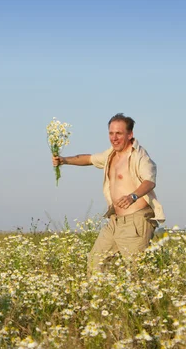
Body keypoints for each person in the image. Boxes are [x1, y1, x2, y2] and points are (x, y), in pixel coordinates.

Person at [52, 113, 165, 275]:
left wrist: (133, 196)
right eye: (111, 133)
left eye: (119, 133)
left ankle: (147, 300)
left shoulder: (140, 156)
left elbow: (149, 181)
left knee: (136, 272)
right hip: (115, 221)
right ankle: (99, 299)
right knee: (94, 262)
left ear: (130, 134)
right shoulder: (111, 154)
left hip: (136, 221)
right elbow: (89, 159)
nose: (114, 138)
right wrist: (64, 160)